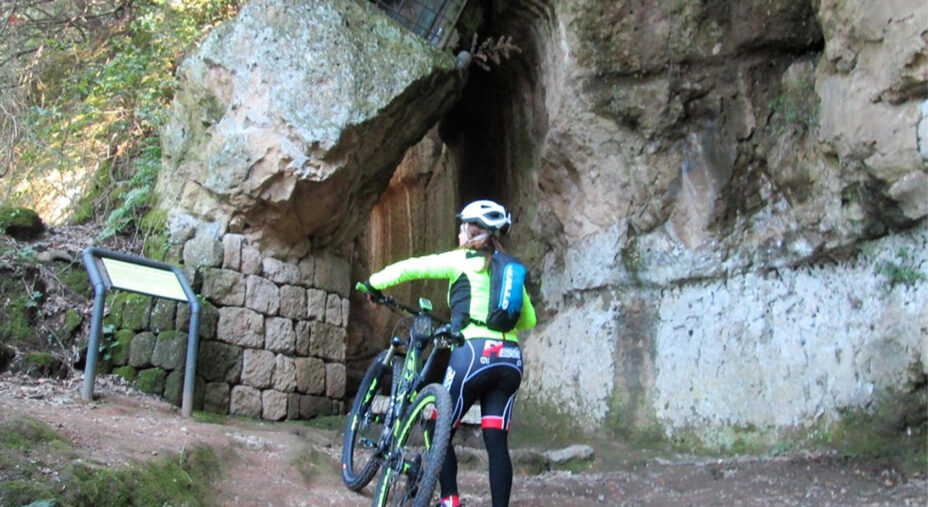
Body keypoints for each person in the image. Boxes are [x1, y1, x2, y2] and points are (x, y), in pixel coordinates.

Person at [358, 199, 537, 507]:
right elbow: (529, 319)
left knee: (436, 425)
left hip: (473, 354)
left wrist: (374, 284)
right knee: (496, 441)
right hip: (510, 358)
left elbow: (412, 267)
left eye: (462, 228)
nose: (458, 234)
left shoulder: (461, 261)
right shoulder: (510, 270)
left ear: (470, 233)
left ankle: (450, 499)